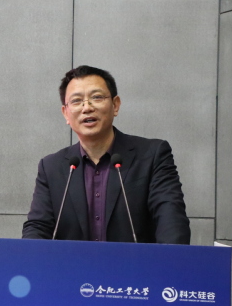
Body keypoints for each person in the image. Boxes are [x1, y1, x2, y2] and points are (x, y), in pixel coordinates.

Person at [22, 65, 190, 244]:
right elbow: (38, 227)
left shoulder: (152, 155)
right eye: (77, 101)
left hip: (136, 262)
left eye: (96, 97)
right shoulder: (51, 167)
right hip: (73, 263)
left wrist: (168, 260)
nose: (87, 108)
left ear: (115, 105)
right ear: (66, 114)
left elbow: (171, 222)